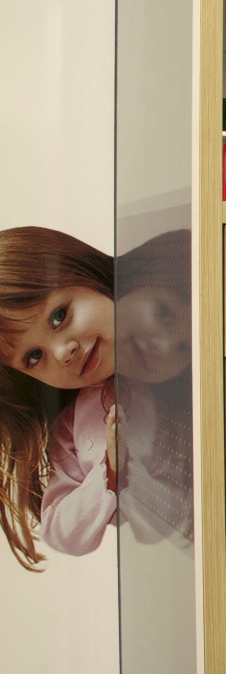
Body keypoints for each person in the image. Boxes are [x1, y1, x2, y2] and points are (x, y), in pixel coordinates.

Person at [0, 227, 116, 568]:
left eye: (59, 315)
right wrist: (110, 468)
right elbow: (61, 530)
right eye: (34, 357)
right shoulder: (74, 426)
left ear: (86, 274)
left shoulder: (169, 315)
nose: (63, 352)